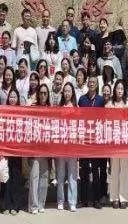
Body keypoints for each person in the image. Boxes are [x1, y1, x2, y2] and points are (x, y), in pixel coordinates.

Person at [78, 76, 106, 209]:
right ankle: (83, 200)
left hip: (96, 140)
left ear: (97, 84)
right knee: (84, 171)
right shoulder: (82, 99)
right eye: (90, 82)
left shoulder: (101, 100)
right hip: (84, 139)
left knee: (96, 171)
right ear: (87, 84)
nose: (92, 84)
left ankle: (96, 200)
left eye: (94, 82)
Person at [107, 80, 128, 209]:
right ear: (114, 90)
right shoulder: (110, 104)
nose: (120, 91)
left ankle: (123, 197)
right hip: (114, 140)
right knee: (114, 169)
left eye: (122, 89)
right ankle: (114, 197)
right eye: (118, 88)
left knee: (124, 170)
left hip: (125, 140)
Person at [0, 89, 25, 215]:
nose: (12, 99)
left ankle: (15, 205)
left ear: (18, 99)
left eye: (15, 97)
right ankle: (5, 205)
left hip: (17, 150)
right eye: (11, 97)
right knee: (5, 177)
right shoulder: (4, 112)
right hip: (5, 149)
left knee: (16, 178)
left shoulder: (21, 112)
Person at [29, 84, 51, 214]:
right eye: (41, 93)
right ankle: (33, 205)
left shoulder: (51, 109)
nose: (43, 95)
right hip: (34, 148)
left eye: (45, 93)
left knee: (44, 177)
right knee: (34, 177)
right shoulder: (33, 107)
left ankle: (42, 203)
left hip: (46, 149)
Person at [56, 82, 78, 212]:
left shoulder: (76, 108)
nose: (67, 93)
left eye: (69, 91)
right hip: (61, 147)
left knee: (72, 177)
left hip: (73, 147)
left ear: (72, 93)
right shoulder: (59, 108)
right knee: (60, 176)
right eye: (65, 91)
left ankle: (72, 201)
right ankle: (60, 201)